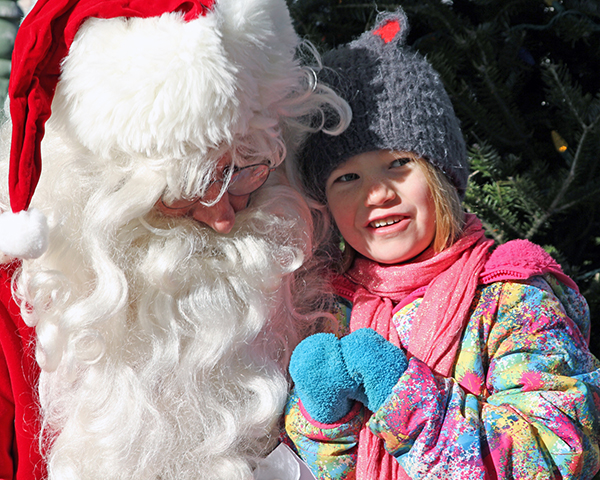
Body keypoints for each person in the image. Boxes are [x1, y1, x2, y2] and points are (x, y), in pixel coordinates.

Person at [0, 0, 349, 478]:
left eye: (243, 173)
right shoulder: (22, 303)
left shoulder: (308, 267)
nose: (224, 218)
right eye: (189, 192)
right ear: (102, 191)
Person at [284, 8, 600, 480]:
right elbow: (327, 470)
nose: (377, 194)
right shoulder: (329, 306)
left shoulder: (509, 296)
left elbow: (558, 454)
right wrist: (321, 419)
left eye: (398, 164)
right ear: (324, 203)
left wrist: (401, 395)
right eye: (347, 177)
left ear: (441, 174)